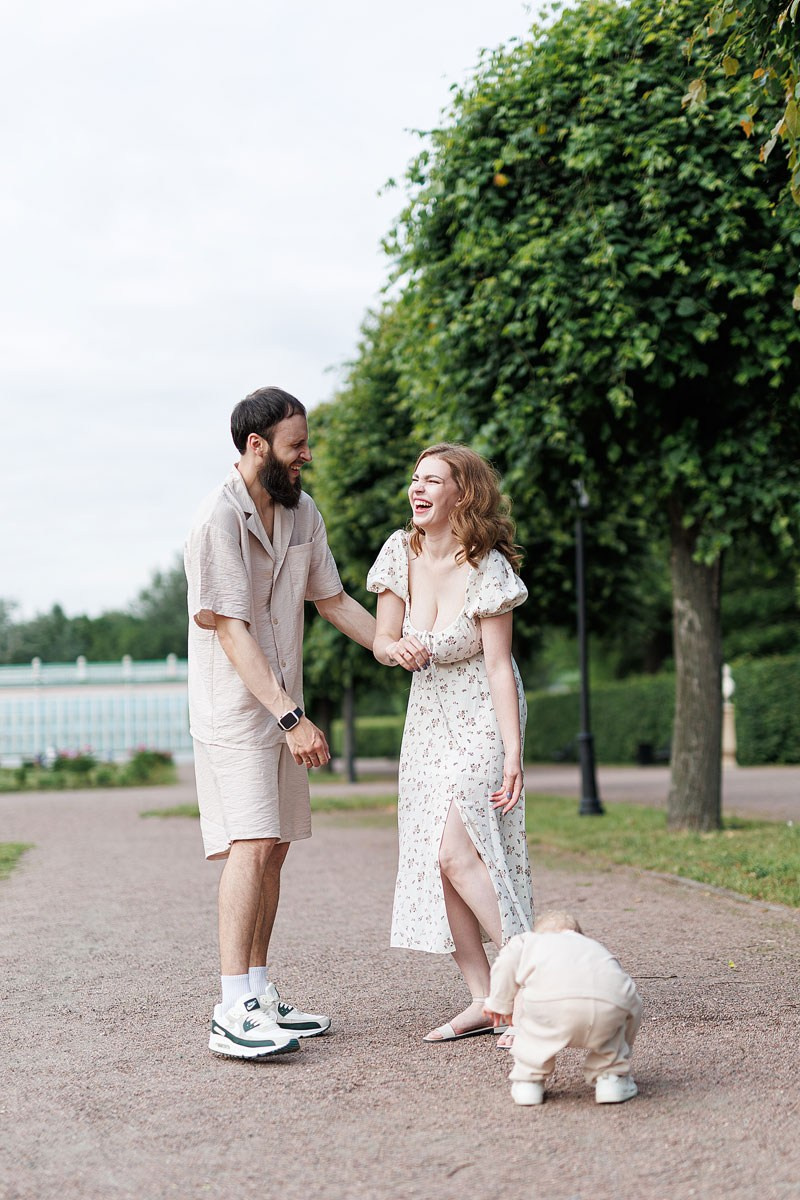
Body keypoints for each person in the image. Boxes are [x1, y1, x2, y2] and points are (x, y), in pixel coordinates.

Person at [185, 386, 376, 1059]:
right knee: (252, 842)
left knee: (276, 848)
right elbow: (231, 631)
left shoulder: (302, 511)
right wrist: (293, 717)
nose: (307, 456)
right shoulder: (218, 519)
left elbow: (334, 600)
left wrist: (399, 647)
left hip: (281, 706)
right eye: (296, 445)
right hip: (237, 714)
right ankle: (230, 1008)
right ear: (256, 445)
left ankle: (260, 991)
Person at [367, 443, 533, 1042]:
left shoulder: (489, 568)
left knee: (458, 852)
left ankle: (535, 982)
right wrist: (397, 649)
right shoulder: (399, 551)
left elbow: (498, 665)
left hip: (484, 715)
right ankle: (485, 999)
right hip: (428, 723)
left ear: (463, 494)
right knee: (438, 862)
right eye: (416, 479)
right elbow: (382, 640)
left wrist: (513, 753)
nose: (418, 488)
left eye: (433, 480)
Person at [484, 910, 643, 1106]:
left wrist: (498, 1003)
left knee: (535, 1033)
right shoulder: (595, 948)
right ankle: (611, 1078)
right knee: (613, 1030)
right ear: (578, 934)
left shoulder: (530, 941)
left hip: (552, 1004)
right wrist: (626, 1035)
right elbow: (628, 993)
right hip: (607, 1005)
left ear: (538, 932)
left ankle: (528, 1082)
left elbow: (506, 962)